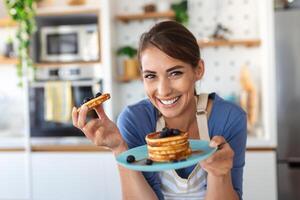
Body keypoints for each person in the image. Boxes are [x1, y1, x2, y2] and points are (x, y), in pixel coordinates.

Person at [72, 20, 247, 200]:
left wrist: (220, 175)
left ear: (198, 70)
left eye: (175, 73)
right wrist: (119, 149)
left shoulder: (229, 118)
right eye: (151, 76)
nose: (163, 90)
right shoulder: (134, 120)